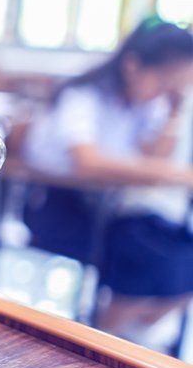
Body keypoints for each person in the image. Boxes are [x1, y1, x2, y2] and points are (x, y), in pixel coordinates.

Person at [22, 17, 193, 349]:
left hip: (110, 209)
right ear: (133, 65)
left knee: (178, 249)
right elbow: (87, 162)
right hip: (59, 207)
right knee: (151, 255)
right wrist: (178, 175)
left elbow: (155, 158)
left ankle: (117, 329)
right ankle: (102, 336)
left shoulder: (144, 104)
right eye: (165, 79)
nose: (168, 89)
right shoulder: (83, 96)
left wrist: (174, 108)